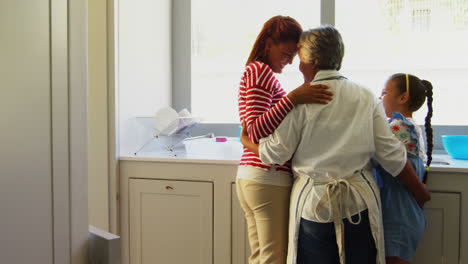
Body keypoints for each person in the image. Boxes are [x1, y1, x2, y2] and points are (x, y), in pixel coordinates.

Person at [240, 25, 431, 264]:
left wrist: (247, 141)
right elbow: (391, 155)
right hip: (358, 205)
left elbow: (275, 154)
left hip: (313, 207)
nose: (298, 66)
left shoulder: (302, 99)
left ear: (314, 62)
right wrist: (418, 190)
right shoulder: (366, 97)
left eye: (300, 59)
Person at [236, 16, 334, 264]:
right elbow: (256, 130)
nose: (289, 61)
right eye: (286, 53)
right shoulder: (259, 71)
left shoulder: (257, 72)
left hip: (254, 177)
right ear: (269, 43)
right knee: (273, 258)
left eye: (293, 56)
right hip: (267, 177)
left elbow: (248, 133)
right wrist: (292, 99)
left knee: (260, 256)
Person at [374, 73, 433, 264]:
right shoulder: (409, 126)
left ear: (403, 97)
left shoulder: (398, 126)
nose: (379, 98)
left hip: (398, 217)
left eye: (384, 93)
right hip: (404, 216)